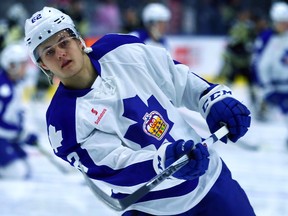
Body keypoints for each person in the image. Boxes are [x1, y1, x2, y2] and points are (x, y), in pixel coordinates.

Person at [24, 7, 255, 215]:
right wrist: (163, 161)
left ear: (78, 39)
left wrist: (210, 99)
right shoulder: (62, 122)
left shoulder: (120, 49)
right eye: (49, 52)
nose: (60, 54)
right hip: (153, 208)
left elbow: (176, 78)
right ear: (43, 65)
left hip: (211, 180)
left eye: (64, 42)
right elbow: (113, 165)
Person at [0, 42, 38, 179]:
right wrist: (20, 133)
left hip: (6, 138)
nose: (25, 69)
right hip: (2, 138)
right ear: (12, 65)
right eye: (22, 65)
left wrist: (24, 132)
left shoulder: (14, 85)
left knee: (26, 169)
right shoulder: (3, 88)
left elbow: (17, 115)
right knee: (16, 173)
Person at [257, 2, 288, 146]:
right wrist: (266, 86)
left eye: (285, 22)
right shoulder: (267, 38)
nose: (283, 25)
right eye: (281, 23)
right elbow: (261, 65)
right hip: (274, 86)